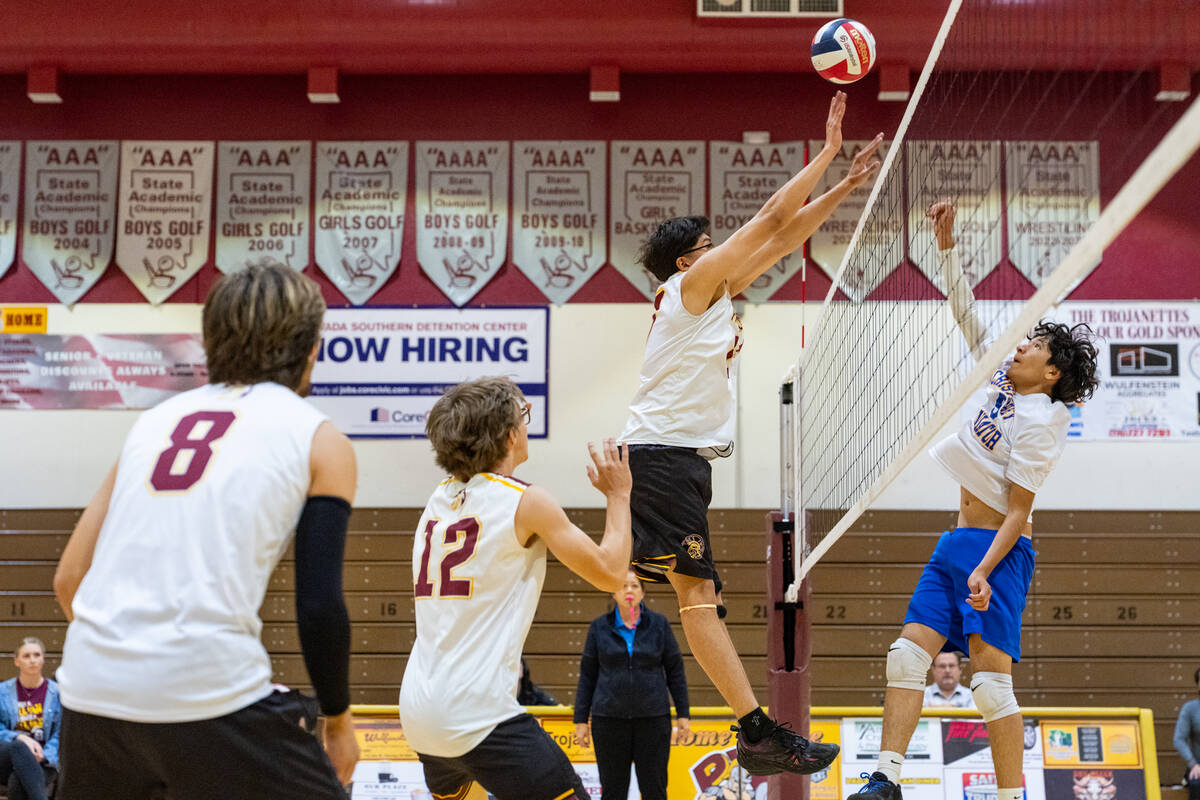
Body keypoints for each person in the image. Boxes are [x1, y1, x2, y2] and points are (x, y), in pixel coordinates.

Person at [620, 90, 881, 777]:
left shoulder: (708, 294)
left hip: (674, 460)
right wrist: (826, 153)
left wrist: (848, 187)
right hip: (663, 457)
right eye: (711, 247)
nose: (727, 251)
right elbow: (769, 218)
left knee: (694, 597)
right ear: (687, 262)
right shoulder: (690, 291)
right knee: (696, 597)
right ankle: (757, 730)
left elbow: (782, 235)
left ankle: (756, 731)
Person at [52, 262, 359, 800]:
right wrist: (337, 721)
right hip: (209, 692)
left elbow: (68, 580)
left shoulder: (153, 423)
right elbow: (318, 605)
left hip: (88, 694)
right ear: (311, 346)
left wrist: (128, 660)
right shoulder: (318, 436)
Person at [849, 202, 1100, 800]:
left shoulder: (1044, 421)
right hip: (956, 542)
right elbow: (967, 315)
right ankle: (886, 780)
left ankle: (1012, 796)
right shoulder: (1001, 376)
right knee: (905, 659)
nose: (1019, 347)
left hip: (999, 553)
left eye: (1033, 346)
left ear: (1051, 373)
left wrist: (985, 570)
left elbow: (1018, 512)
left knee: (990, 687)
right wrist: (947, 248)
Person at [398, 377, 633, 800]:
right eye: (523, 417)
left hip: (420, 713)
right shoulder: (526, 500)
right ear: (509, 435)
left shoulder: (436, 502)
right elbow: (612, 573)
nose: (526, 425)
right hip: (477, 712)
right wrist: (619, 495)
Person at [574, 570, 691, 800]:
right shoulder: (599, 628)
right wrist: (580, 720)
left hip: (653, 720)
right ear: (614, 593)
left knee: (654, 789)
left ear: (643, 593)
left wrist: (683, 714)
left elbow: (675, 671)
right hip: (608, 720)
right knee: (613, 790)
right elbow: (587, 675)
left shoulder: (659, 624)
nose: (629, 590)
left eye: (635, 586)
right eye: (623, 586)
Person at [0, 637, 60, 800]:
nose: (32, 660)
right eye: (26, 656)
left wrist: (44, 755)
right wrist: (18, 737)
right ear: (16, 661)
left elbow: (61, 733)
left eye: (36, 655)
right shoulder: (3, 691)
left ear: (43, 659)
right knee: (19, 747)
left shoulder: (57, 693)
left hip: (45, 760)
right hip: (7, 757)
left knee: (17, 782)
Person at [1174, 667, 1200, 799]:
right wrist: (1193, 764)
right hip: (1198, 766)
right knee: (1197, 785)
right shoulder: (1190, 709)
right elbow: (1179, 739)